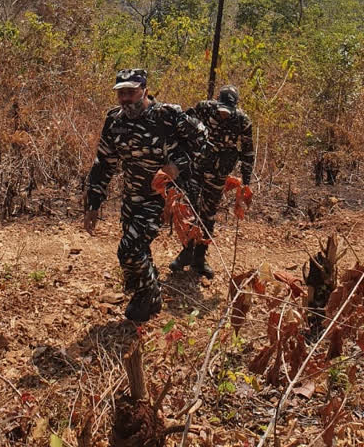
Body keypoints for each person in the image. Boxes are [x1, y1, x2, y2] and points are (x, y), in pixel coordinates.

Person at [83, 69, 207, 322]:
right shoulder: (115, 121)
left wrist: (176, 165)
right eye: (121, 94)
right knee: (140, 250)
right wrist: (93, 204)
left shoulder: (167, 115)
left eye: (131, 92)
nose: (126, 99)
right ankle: (150, 296)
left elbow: (202, 139)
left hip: (163, 196)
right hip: (133, 195)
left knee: (129, 249)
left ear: (145, 91)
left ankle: (146, 295)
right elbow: (104, 163)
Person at [168, 86, 254, 278]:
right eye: (221, 109)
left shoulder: (243, 120)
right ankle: (186, 253)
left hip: (219, 172)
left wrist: (245, 182)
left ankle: (199, 257)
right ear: (216, 102)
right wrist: (178, 156)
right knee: (190, 209)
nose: (223, 114)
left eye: (227, 111)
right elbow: (182, 126)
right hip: (196, 167)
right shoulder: (203, 108)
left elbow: (248, 151)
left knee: (208, 212)